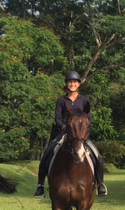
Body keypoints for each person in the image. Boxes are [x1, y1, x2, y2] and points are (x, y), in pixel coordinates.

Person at [34, 70, 107, 198]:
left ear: (78, 84)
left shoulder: (84, 100)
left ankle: (100, 183)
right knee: (47, 154)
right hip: (64, 134)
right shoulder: (61, 100)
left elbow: (88, 118)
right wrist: (64, 127)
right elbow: (57, 118)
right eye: (70, 82)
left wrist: (82, 130)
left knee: (97, 155)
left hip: (80, 135)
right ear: (67, 84)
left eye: (74, 82)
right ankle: (40, 185)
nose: (72, 84)